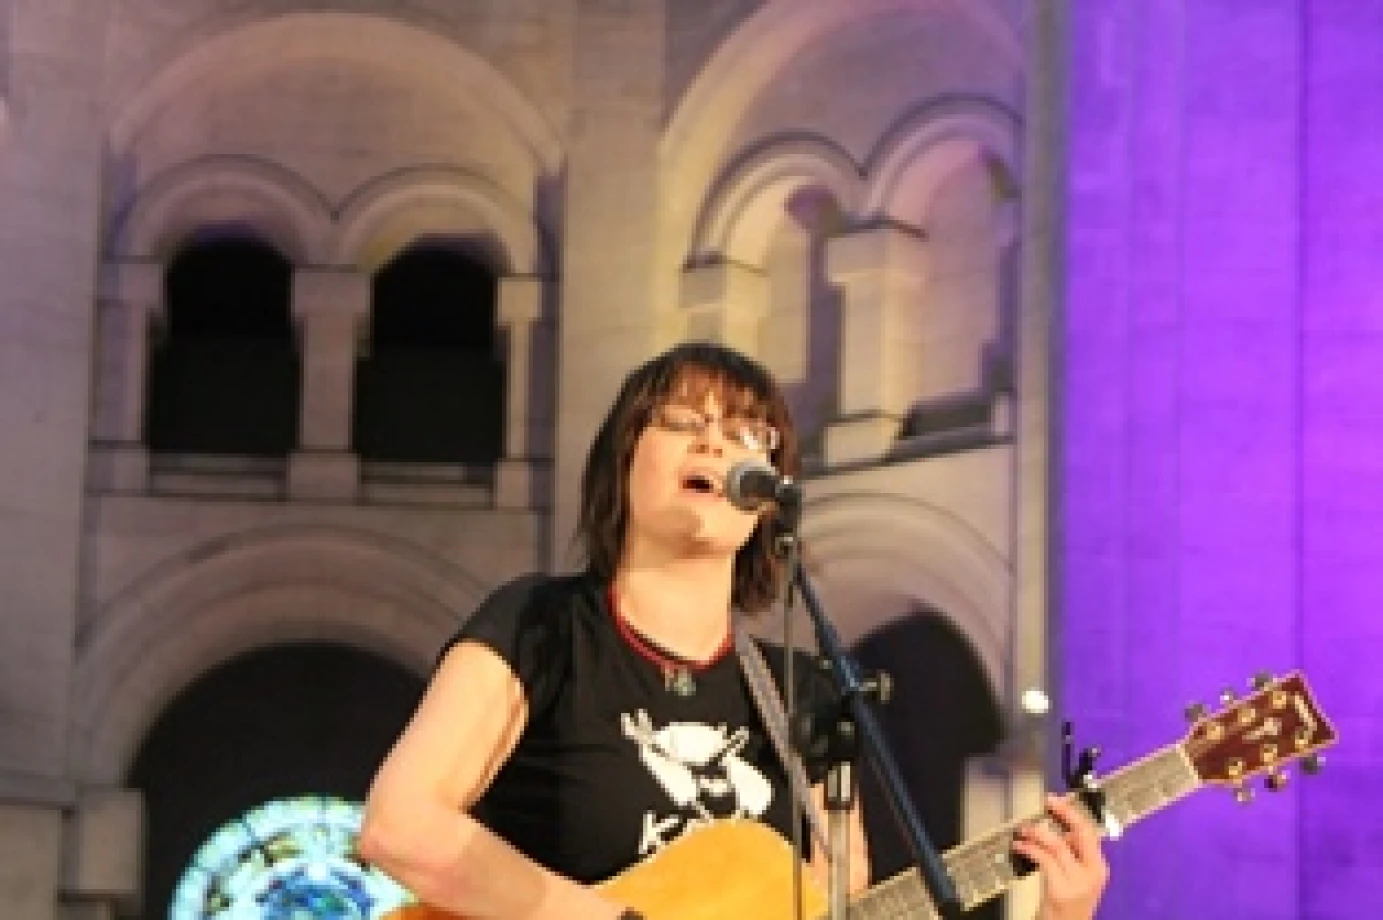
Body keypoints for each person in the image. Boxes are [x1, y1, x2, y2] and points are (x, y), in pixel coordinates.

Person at [359, 341, 1109, 919]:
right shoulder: (541, 625)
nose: (716, 446)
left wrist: (1058, 914)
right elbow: (400, 826)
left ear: (768, 502)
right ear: (623, 461)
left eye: (749, 435)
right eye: (684, 424)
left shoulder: (804, 695)